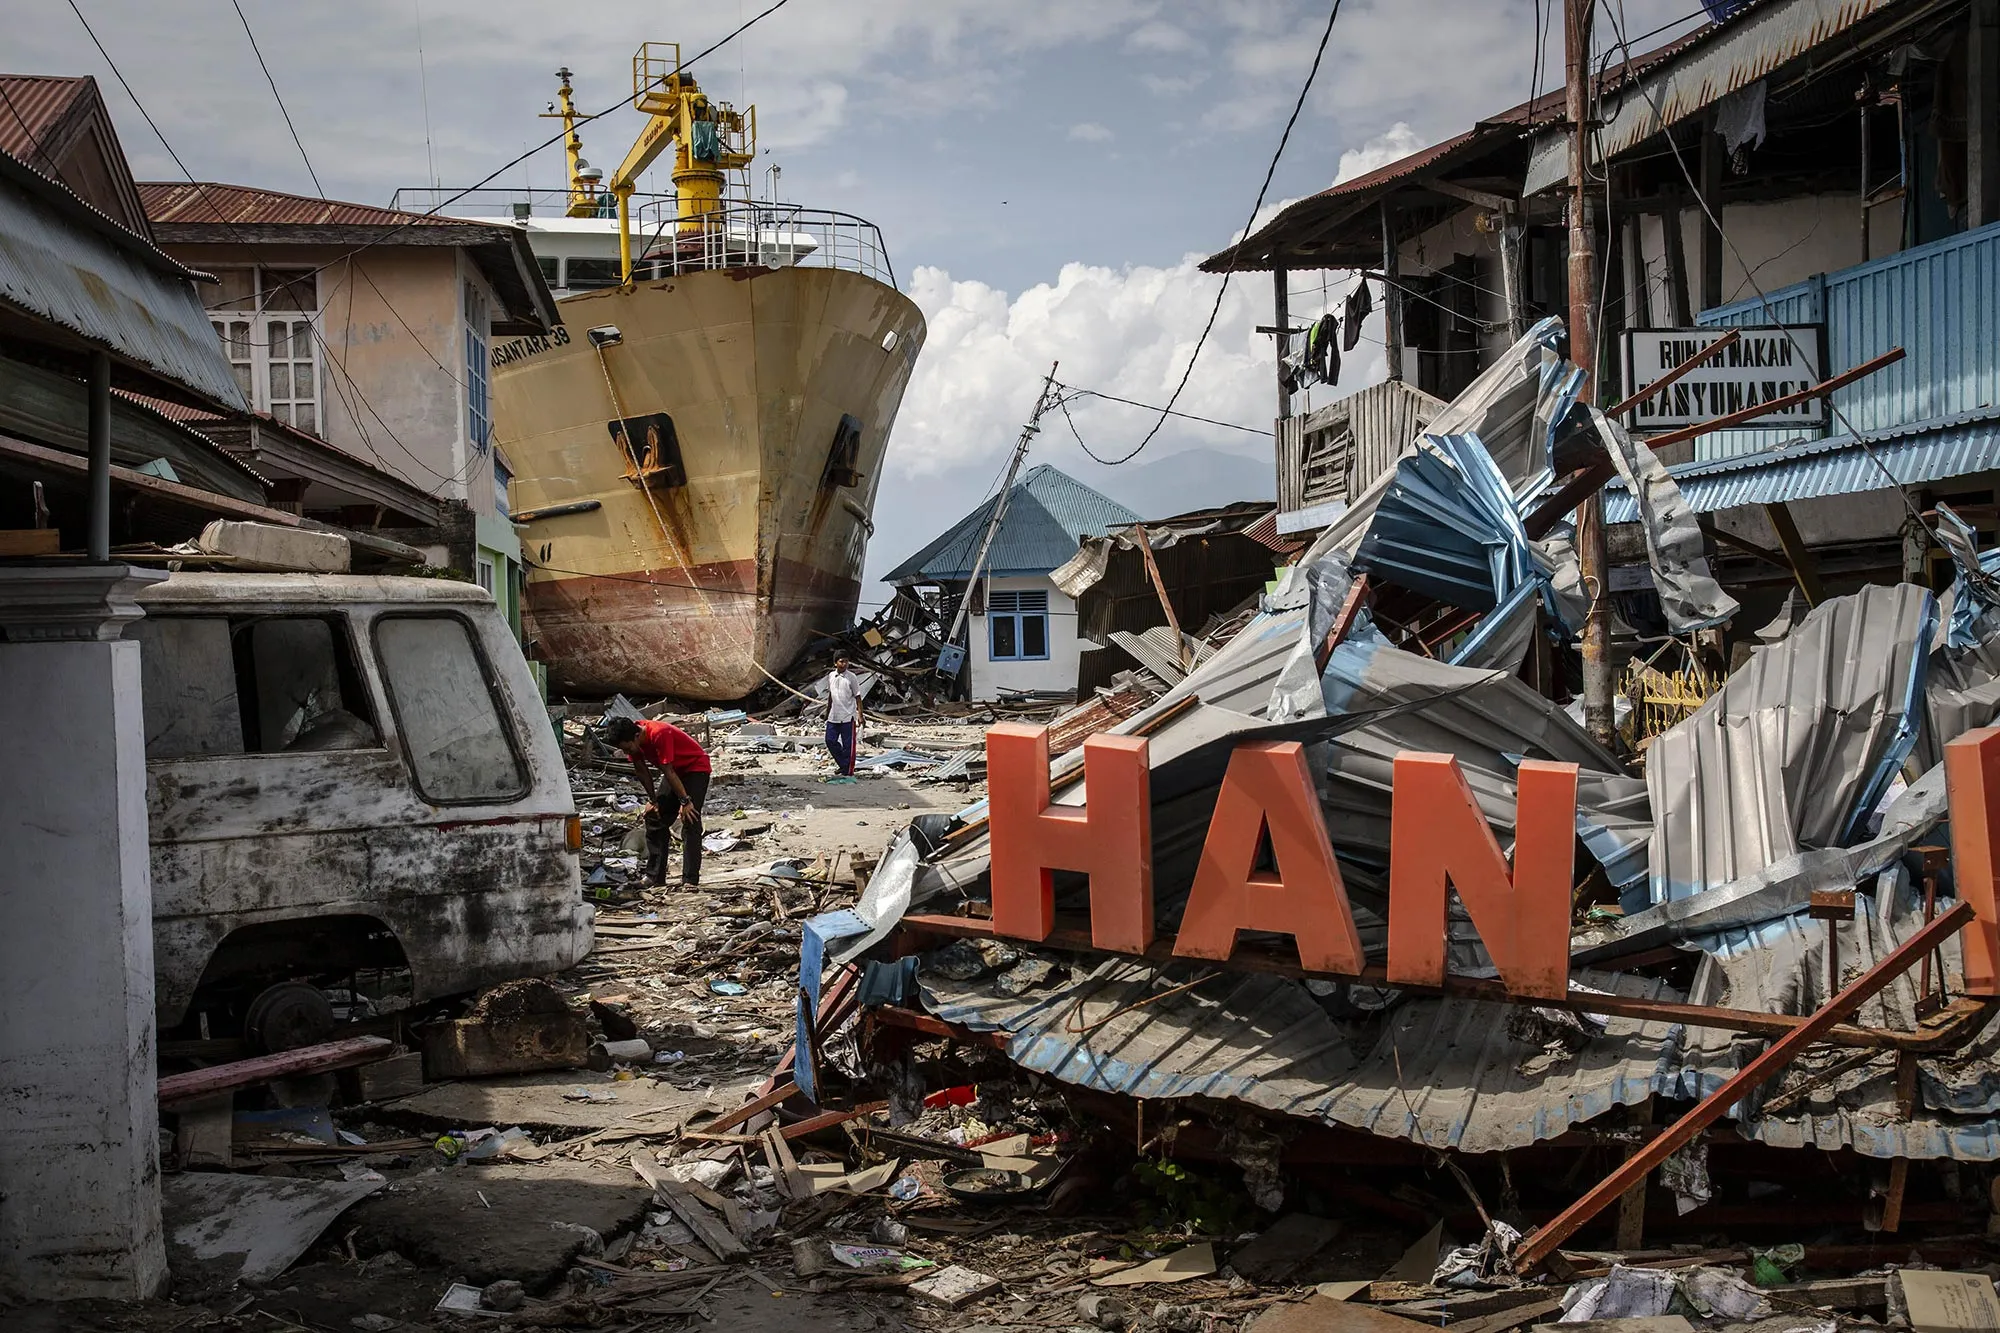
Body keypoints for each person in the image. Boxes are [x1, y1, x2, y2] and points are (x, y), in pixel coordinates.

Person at [602, 716, 711, 886]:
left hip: (695, 768)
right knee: (654, 817)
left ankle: (690, 880)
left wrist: (685, 801)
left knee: (690, 820)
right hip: (673, 773)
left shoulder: (660, 733)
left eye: (628, 747)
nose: (627, 752)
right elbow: (641, 770)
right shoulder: (634, 741)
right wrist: (653, 800)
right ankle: (654, 877)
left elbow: (668, 771)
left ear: (636, 736)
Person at [824, 656, 862, 778]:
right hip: (834, 715)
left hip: (848, 716)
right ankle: (843, 764)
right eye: (841, 661)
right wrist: (827, 711)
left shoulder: (852, 677)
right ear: (835, 663)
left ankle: (848, 770)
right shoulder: (831, 676)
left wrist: (860, 715)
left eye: (846, 661)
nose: (844, 664)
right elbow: (831, 694)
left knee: (848, 746)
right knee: (830, 740)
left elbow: (858, 696)